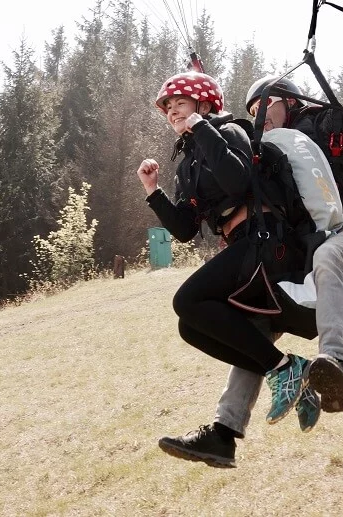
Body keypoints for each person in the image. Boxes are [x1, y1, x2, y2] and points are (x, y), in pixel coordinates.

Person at [157, 75, 343, 467]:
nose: (258, 118)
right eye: (251, 113)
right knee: (254, 325)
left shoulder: (330, 123)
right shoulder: (267, 147)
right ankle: (224, 433)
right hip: (298, 250)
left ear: (289, 100)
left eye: (263, 106)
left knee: (330, 256)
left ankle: (332, 365)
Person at [137, 72, 312, 466]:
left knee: (188, 300)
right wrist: (153, 192)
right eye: (167, 107)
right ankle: (255, 403)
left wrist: (202, 128)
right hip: (243, 252)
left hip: (267, 242)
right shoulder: (188, 165)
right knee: (193, 325)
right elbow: (183, 228)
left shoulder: (230, 130)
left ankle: (285, 367)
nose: (172, 112)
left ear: (203, 104)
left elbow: (237, 182)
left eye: (180, 104)